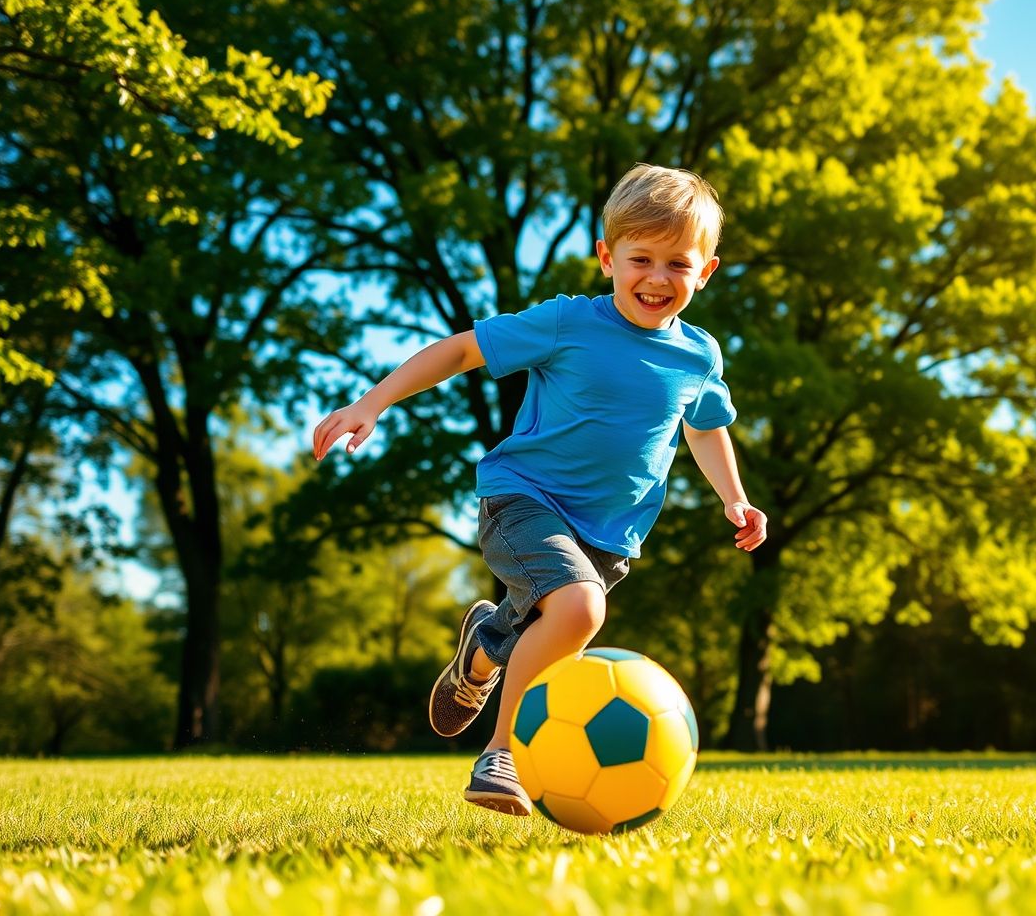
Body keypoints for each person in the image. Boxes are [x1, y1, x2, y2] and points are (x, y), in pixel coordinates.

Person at [311, 164, 767, 815]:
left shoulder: (698, 355)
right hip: (522, 499)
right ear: (607, 257)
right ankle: (504, 755)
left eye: (678, 264)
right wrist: (373, 401)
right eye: (641, 258)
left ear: (707, 271)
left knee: (553, 615)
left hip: (610, 533)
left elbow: (705, 427)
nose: (658, 279)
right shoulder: (567, 324)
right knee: (580, 611)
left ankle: (488, 645)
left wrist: (733, 496)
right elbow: (463, 351)